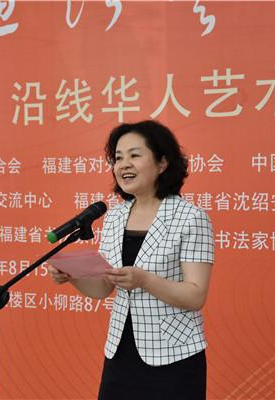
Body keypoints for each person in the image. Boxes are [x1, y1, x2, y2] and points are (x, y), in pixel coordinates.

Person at [48, 120, 215, 399]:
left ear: (162, 163)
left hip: (174, 357)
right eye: (118, 158)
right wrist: (72, 277)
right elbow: (103, 288)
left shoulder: (191, 217)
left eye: (134, 155)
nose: (124, 164)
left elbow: (195, 295)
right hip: (120, 355)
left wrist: (145, 280)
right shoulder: (115, 216)